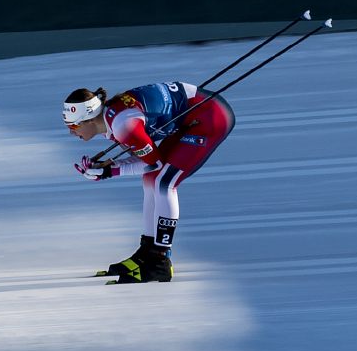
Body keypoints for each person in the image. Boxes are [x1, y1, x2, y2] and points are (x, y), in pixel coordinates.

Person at [63, 81, 237, 283]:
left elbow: (153, 163)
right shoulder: (109, 118)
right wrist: (108, 167)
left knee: (165, 182)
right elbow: (147, 160)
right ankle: (148, 251)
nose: (71, 132)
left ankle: (160, 260)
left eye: (74, 125)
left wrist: (109, 170)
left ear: (91, 119)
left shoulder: (123, 126)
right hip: (191, 116)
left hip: (210, 118)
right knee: (151, 179)